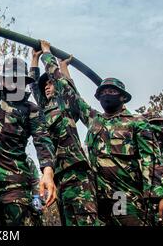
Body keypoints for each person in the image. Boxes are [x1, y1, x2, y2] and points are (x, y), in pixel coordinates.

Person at [39, 40, 163, 226]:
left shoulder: (136, 124)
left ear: (123, 97)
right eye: (103, 92)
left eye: (112, 91)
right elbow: (68, 91)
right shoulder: (95, 119)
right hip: (98, 198)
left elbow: (152, 160)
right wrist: (48, 55)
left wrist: (162, 196)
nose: (106, 94)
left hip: (125, 197)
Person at [0, 28, 57, 226]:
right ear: (2, 80)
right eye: (9, 77)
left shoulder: (31, 110)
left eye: (18, 78)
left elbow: (42, 140)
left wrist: (47, 173)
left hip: (14, 188)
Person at [29, 41, 103, 226]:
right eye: (44, 85)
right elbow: (34, 88)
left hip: (76, 170)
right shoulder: (44, 111)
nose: (46, 86)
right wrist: (34, 59)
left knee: (85, 219)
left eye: (50, 84)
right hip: (58, 175)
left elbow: (66, 86)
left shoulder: (65, 104)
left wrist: (47, 53)